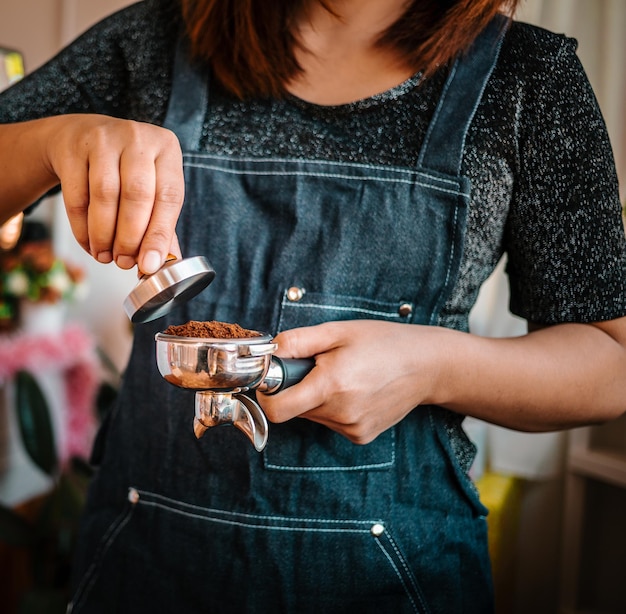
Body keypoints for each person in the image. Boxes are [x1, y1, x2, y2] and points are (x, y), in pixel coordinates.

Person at [1, 0, 625, 611]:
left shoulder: (528, 78)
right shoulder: (155, 38)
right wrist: (54, 138)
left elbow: (611, 362)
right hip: (140, 566)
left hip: (395, 577)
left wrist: (434, 366)